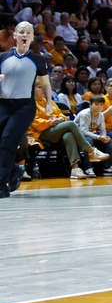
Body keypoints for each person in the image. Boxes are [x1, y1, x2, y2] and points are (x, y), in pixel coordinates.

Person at [1, 22, 54, 195]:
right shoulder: (2, 57)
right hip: (2, 105)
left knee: (7, 143)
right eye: (21, 32)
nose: (24, 35)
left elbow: (45, 83)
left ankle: (2, 186)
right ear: (15, 36)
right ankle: (15, 168)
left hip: (24, 107)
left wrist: (47, 103)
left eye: (28, 32)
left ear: (32, 37)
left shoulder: (37, 59)